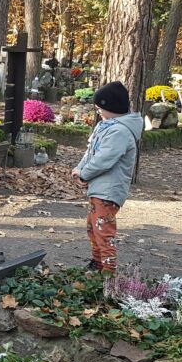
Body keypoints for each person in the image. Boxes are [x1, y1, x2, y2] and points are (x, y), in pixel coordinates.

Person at [73, 81, 143, 273]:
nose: (98, 112)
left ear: (111, 107)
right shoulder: (105, 126)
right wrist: (79, 169)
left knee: (104, 231)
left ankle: (108, 272)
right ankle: (97, 263)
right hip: (99, 188)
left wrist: (85, 173)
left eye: (100, 108)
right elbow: (91, 152)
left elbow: (105, 159)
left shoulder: (119, 131)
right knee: (93, 228)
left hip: (109, 190)